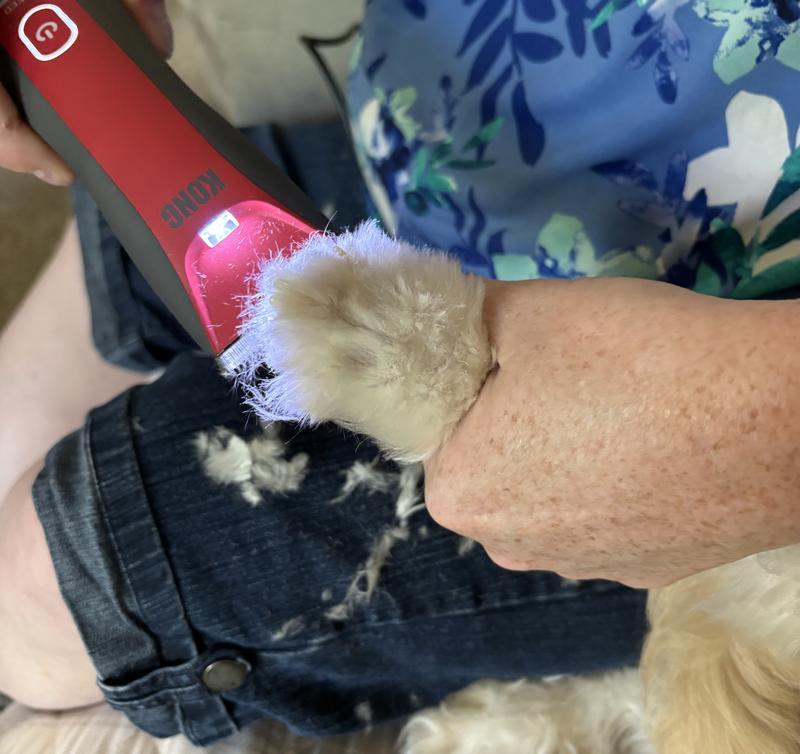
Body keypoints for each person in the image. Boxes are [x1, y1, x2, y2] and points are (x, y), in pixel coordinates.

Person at [1, 0, 799, 745]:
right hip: (455, 139)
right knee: (64, 323)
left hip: (709, 376)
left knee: (43, 586)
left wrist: (764, 430)